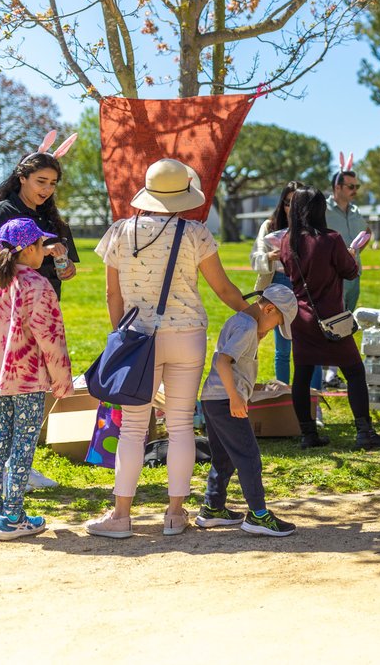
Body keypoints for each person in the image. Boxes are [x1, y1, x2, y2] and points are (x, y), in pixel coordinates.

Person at [85, 158, 250, 539]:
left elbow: (113, 293)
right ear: (183, 196)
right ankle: (175, 515)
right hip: (188, 335)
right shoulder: (196, 233)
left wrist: (121, 338)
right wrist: (250, 314)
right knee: (179, 427)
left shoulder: (120, 231)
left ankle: (121, 516)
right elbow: (223, 288)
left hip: (138, 337)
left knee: (132, 430)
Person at [0, 133, 79, 493]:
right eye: (40, 181)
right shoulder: (3, 213)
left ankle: (19, 467)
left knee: (36, 391)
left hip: (45, 310)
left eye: (52, 183)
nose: (47, 189)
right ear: (21, 178)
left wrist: (63, 263)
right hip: (11, 313)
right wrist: (28, 277)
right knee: (3, 389)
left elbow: (68, 268)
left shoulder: (52, 218)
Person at [0, 218, 73, 541]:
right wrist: (62, 380)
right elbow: (51, 337)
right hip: (29, 381)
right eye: (41, 245)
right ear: (29, 249)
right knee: (22, 445)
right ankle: (13, 516)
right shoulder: (38, 286)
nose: (44, 251)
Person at [279, 186, 380, 450]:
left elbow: (289, 271)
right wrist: (351, 254)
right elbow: (350, 271)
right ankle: (364, 432)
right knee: (354, 371)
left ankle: (308, 434)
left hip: (301, 316)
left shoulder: (288, 240)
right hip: (331, 318)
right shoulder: (330, 239)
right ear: (320, 210)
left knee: (302, 374)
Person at [194, 284, 300, 537]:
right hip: (225, 400)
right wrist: (234, 398)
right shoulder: (247, 327)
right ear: (270, 308)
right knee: (249, 456)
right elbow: (222, 361)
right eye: (277, 322)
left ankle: (213, 507)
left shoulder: (242, 321)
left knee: (224, 457)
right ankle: (258, 515)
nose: (274, 327)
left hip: (212, 399)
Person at [321, 152, 369, 390]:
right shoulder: (323, 210)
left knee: (346, 322)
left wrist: (357, 251)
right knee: (329, 323)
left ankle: (332, 373)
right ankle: (321, 372)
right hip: (332, 278)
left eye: (356, 186)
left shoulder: (356, 211)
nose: (355, 190)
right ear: (337, 186)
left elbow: (366, 232)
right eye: (351, 186)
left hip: (353, 276)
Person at [250, 180, 306, 384]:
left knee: (309, 349)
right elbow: (254, 259)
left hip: (303, 287)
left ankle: (312, 401)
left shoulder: (312, 228)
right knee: (282, 348)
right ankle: (284, 396)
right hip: (277, 285)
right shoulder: (269, 226)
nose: (291, 208)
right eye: (287, 202)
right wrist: (270, 257)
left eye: (297, 203)